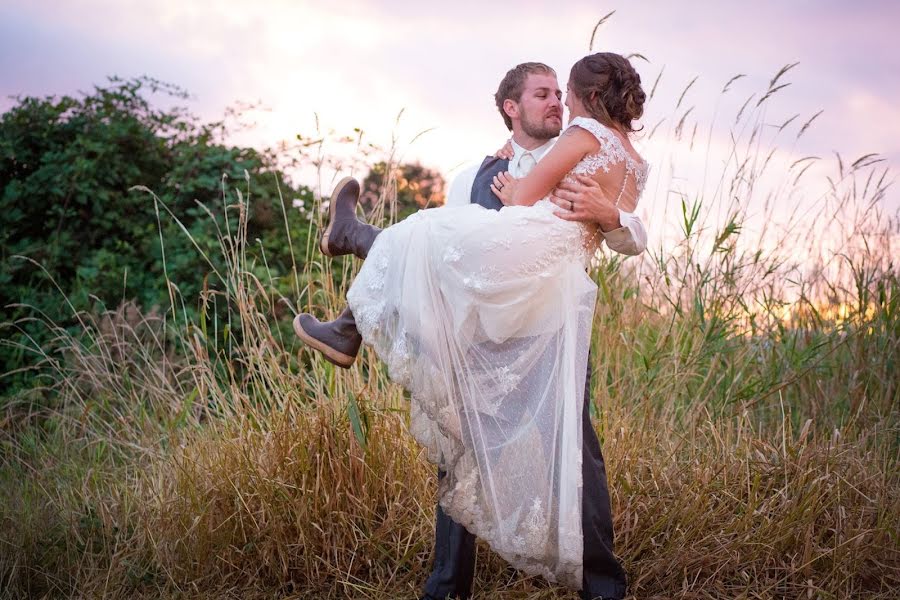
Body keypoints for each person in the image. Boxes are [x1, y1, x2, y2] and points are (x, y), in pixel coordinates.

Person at [294, 53, 647, 599]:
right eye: (542, 94)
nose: (557, 102)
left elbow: (629, 232)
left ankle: (350, 265)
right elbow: (448, 266)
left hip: (549, 311)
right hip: (484, 321)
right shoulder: (473, 175)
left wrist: (610, 214)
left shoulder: (578, 139)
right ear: (511, 109)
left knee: (578, 448)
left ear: (584, 99)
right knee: (460, 441)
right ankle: (448, 583)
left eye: (561, 93)